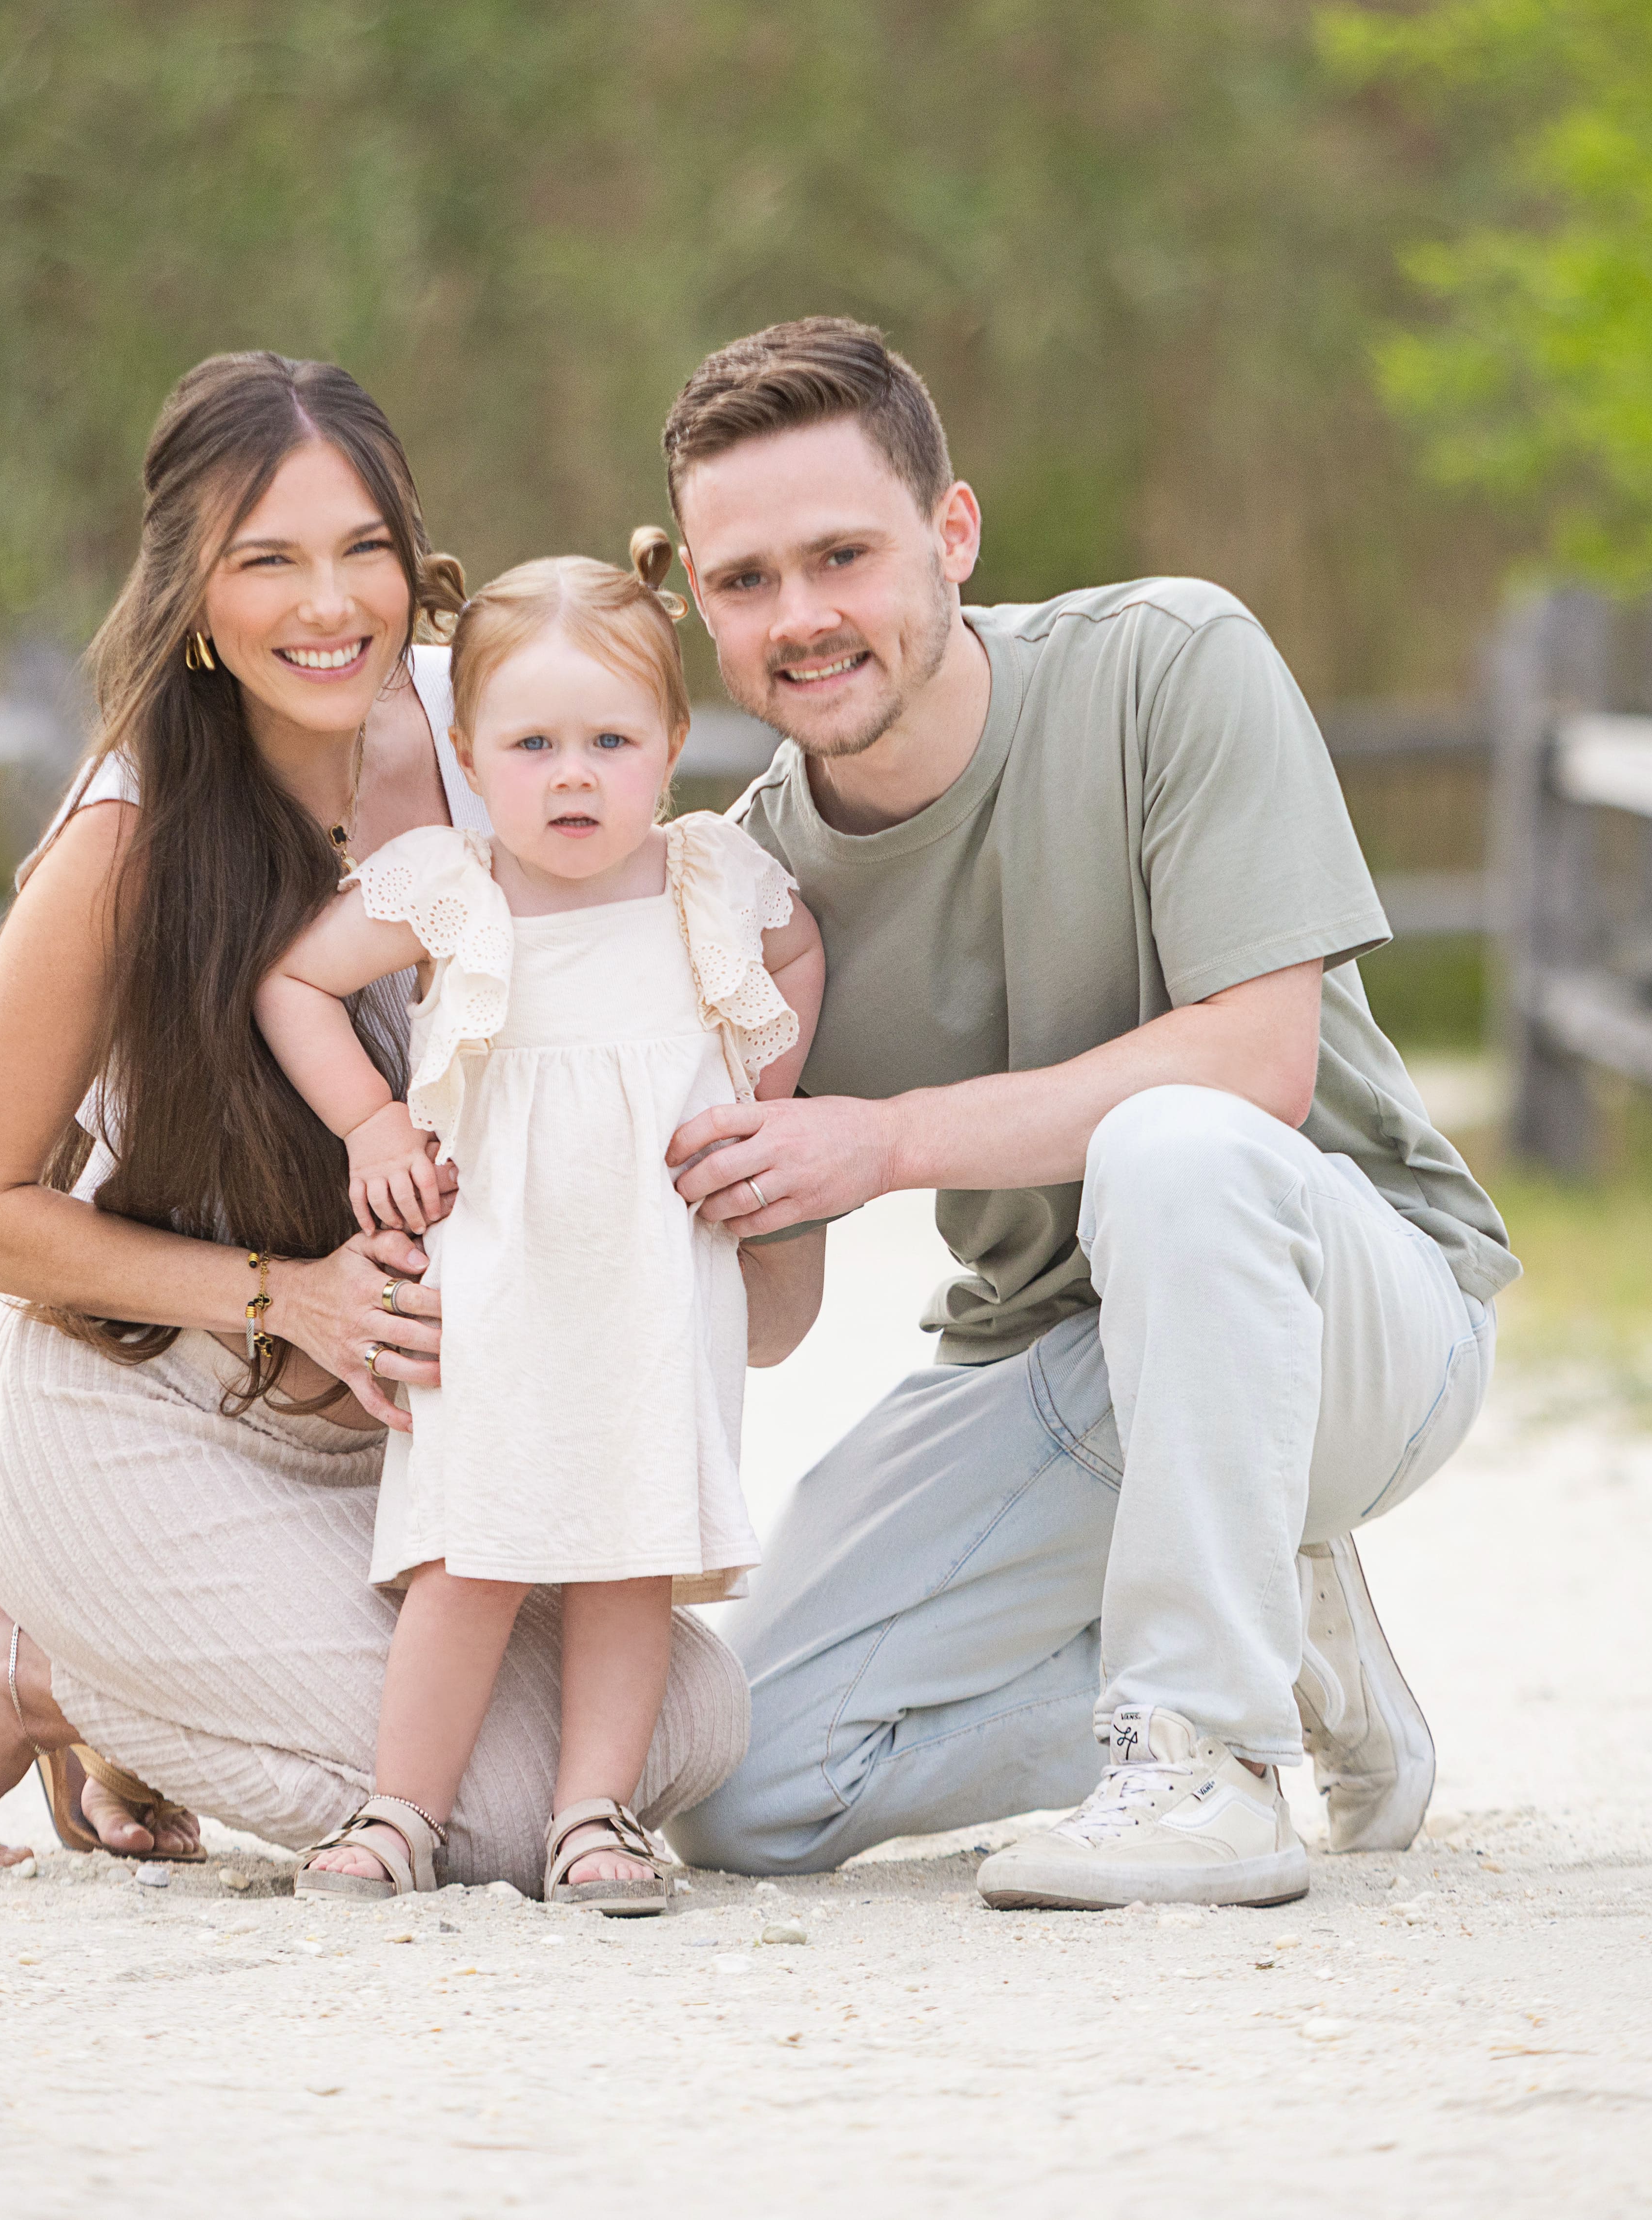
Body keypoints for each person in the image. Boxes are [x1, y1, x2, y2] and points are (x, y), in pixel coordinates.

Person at [0, 353, 748, 1889]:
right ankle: (26, 1670)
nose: (328, 605)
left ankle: (119, 1685)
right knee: (495, 1822)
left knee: (696, 1728)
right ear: (193, 591)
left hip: (428, 1444)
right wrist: (294, 1296)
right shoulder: (133, 836)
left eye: (362, 549)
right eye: (268, 561)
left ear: (413, 554)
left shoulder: (511, 732)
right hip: (158, 1420)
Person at [653, 318, 1516, 1910]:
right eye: (746, 580)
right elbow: (771, 1322)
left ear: (954, 532)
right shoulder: (746, 893)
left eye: (843, 555)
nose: (802, 616)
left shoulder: (1169, 662)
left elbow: (1255, 1063)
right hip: (1058, 1362)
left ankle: (1207, 1762)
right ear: (700, 601)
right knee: (738, 1782)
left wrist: (886, 1141)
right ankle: (1269, 1633)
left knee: (1176, 1142)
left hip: (1353, 1318)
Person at [257, 539, 824, 1910]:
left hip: (655, 1281)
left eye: (612, 741)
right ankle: (400, 1811)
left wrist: (765, 1103)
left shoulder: (707, 877)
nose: (574, 777)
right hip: (499, 1280)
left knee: (633, 1551)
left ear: (672, 744)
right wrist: (373, 1127)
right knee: (470, 1552)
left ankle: (594, 1815)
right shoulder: (457, 885)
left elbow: (801, 951)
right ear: (467, 752)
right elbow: (293, 985)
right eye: (533, 745)